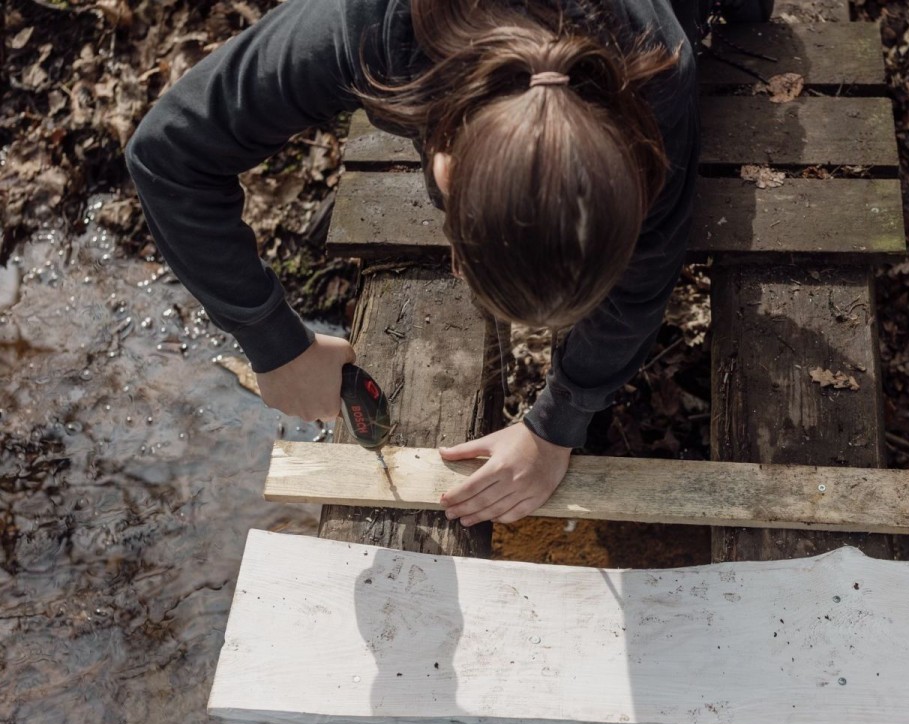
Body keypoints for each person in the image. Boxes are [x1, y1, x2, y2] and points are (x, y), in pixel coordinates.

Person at [126, 0, 767, 528]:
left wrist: (555, 428)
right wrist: (274, 342)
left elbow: (646, 271)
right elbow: (168, 154)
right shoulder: (372, 28)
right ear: (447, 166)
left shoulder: (658, 70)